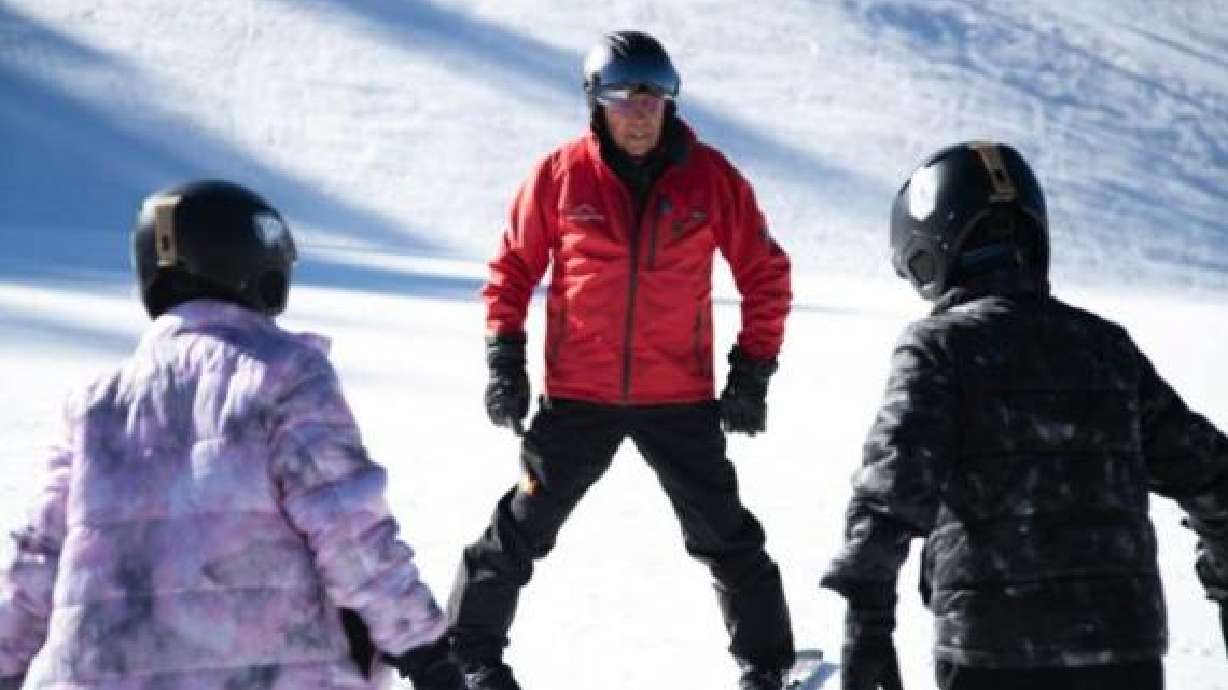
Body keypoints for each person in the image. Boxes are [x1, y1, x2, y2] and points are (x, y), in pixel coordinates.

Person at [0, 180, 463, 690]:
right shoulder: (282, 374)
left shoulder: (93, 406)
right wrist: (423, 648)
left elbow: (36, 563)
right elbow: (348, 530)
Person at [446, 30, 795, 690]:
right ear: (595, 103)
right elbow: (513, 270)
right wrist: (505, 359)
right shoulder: (559, 176)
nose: (639, 113)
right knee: (519, 530)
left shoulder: (711, 177)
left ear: (670, 102)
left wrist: (753, 371)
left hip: (679, 397)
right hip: (579, 396)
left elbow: (766, 273)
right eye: (624, 99)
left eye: (653, 99)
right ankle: (469, 659)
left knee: (727, 536)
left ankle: (767, 669)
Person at [819, 141, 1228, 690]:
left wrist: (866, 627)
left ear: (928, 247)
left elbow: (890, 492)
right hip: (1122, 647)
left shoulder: (940, 347)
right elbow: (1212, 474)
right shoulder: (1105, 348)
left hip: (995, 650)